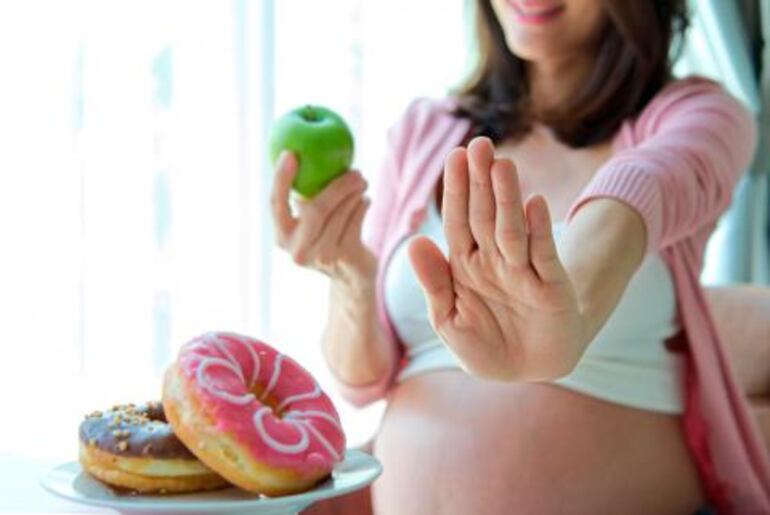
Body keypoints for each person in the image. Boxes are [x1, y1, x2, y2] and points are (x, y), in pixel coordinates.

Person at [270, 1, 770, 513]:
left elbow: (644, 188)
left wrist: (569, 317)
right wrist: (351, 278)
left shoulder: (701, 117)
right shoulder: (425, 130)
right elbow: (362, 380)